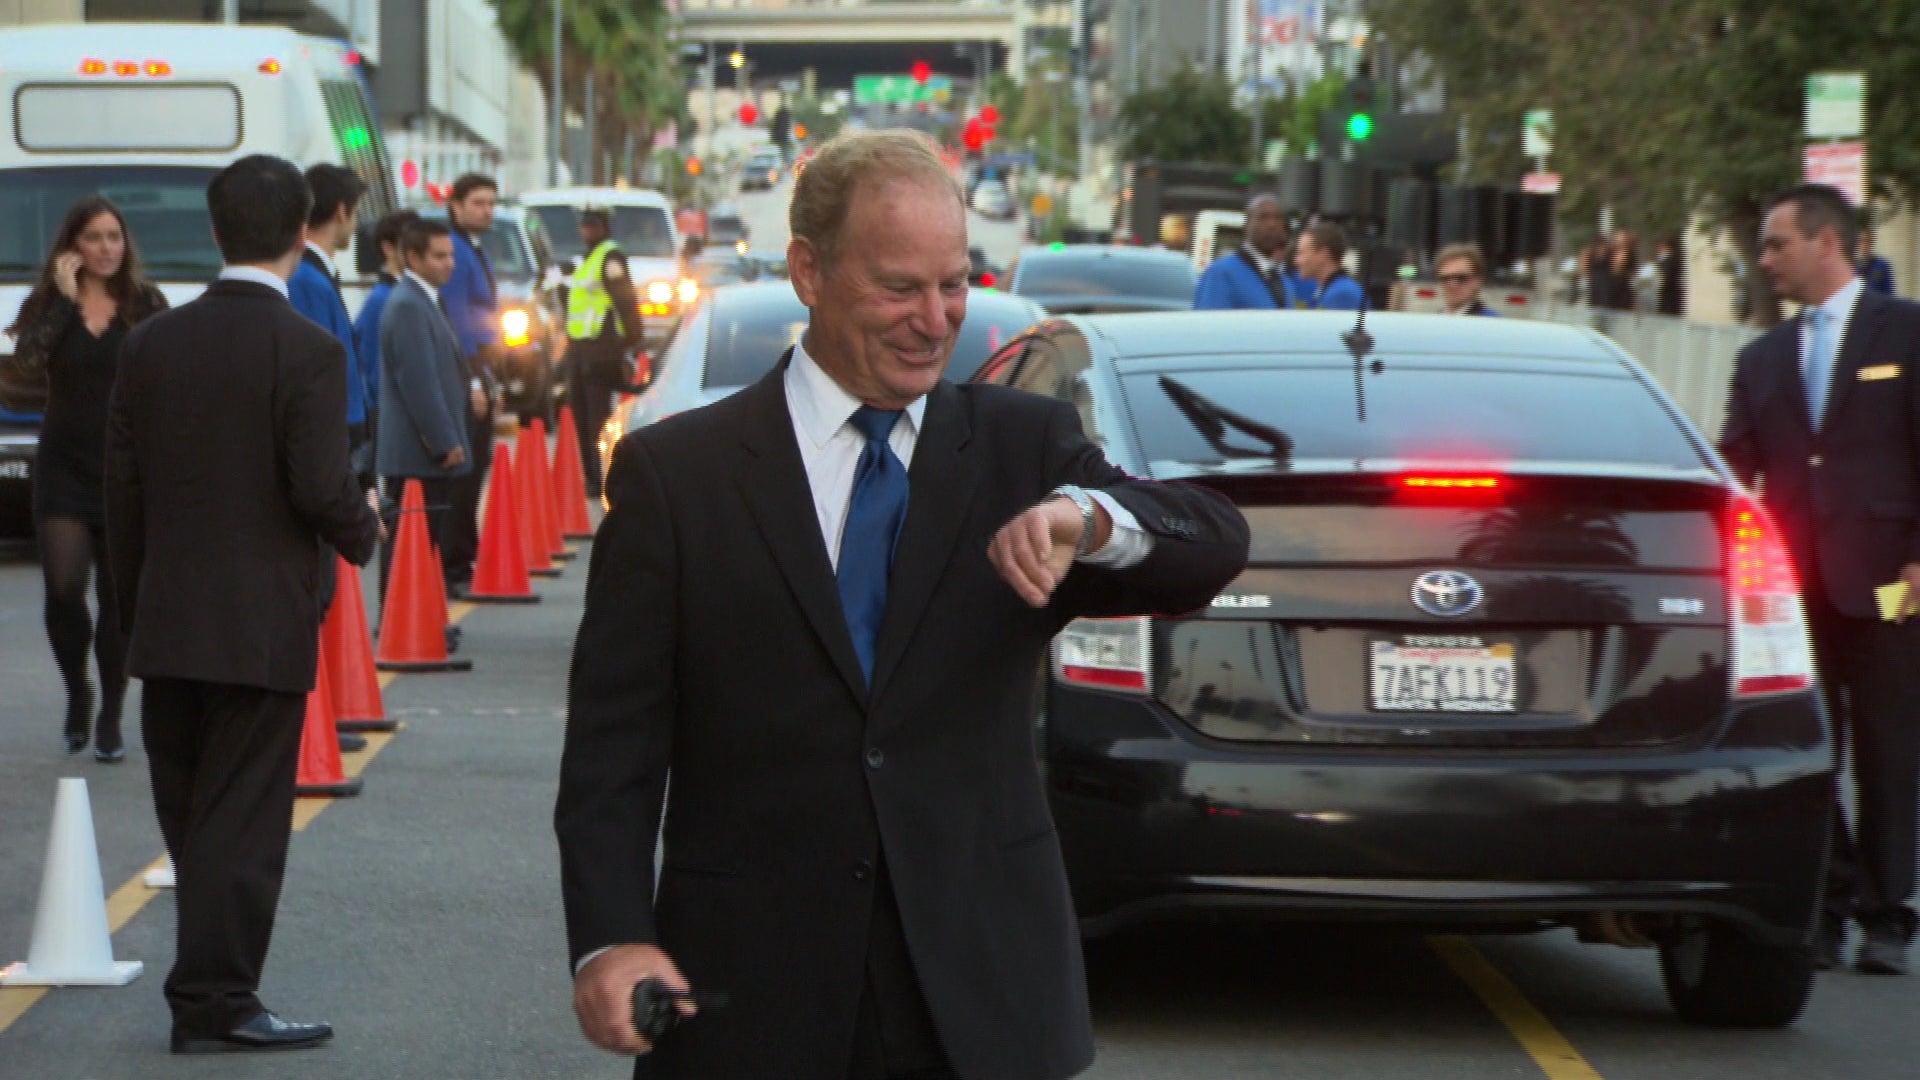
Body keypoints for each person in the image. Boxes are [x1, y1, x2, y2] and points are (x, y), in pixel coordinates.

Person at [557, 129, 1250, 1079]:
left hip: (979, 1001)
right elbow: (612, 753)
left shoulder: (1023, 448)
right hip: (747, 998)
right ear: (809, 270)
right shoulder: (678, 477)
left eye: (954, 286)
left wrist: (1088, 521)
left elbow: (1211, 540)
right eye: (899, 288)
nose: (936, 321)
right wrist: (609, 939)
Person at [103, 153, 381, 1052]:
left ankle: (206, 995)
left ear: (216, 232)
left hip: (168, 619)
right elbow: (317, 484)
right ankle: (218, 1003)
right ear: (303, 232)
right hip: (260, 624)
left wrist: (137, 605)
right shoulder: (308, 349)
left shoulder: (150, 344)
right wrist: (361, 526)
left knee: (191, 815)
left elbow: (124, 494)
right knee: (245, 824)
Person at [1719, 182, 1920, 978]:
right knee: (1807, 751)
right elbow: (1735, 469)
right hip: (1788, 592)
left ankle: (1887, 913)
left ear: (1827, 242)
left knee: (1890, 750)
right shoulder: (1761, 357)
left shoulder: (1906, 332)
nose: (1765, 260)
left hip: (1888, 584)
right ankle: (1829, 902)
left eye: (1777, 245)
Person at [3, 197, 166, 760]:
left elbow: (168, 378)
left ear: (126, 244)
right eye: (93, 238)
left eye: (114, 237)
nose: (105, 248)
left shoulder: (145, 304)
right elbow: (22, 369)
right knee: (63, 596)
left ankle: (113, 719)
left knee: (119, 602)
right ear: (72, 247)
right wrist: (64, 303)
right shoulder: (49, 304)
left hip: (125, 467)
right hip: (64, 466)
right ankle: (79, 696)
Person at [376, 218, 472, 595]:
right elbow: (419, 383)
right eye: (439, 256)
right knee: (410, 545)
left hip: (424, 454)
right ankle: (404, 629)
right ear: (413, 257)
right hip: (418, 455)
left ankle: (422, 625)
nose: (450, 263)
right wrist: (444, 441)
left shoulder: (424, 300)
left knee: (423, 545)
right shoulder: (408, 306)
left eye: (450, 255)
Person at [290, 163, 375, 488]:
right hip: (334, 442)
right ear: (342, 211)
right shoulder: (308, 280)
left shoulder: (311, 274)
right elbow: (318, 370)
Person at [440, 173, 503, 598]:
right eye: (478, 202)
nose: (487, 210)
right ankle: (454, 563)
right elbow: (460, 321)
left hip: (484, 366)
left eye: (491, 203)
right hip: (469, 368)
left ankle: (462, 555)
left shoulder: (474, 249)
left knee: (475, 468)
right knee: (463, 473)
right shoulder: (456, 253)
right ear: (456, 205)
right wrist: (476, 381)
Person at [564, 207, 643, 501]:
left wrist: (632, 341)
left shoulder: (610, 257)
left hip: (603, 349)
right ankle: (593, 480)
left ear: (605, 227)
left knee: (598, 420)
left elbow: (625, 300)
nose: (587, 230)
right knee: (582, 417)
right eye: (584, 225)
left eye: (593, 225)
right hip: (581, 349)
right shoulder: (586, 260)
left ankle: (605, 478)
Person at [351, 208, 420, 400]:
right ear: (388, 248)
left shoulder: (411, 294)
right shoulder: (382, 301)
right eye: (410, 245)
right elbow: (378, 378)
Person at [1192, 194, 1295, 310]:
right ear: (1247, 225)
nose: (1272, 225)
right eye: (1262, 217)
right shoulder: (1222, 273)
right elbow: (1207, 323)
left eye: (1278, 218)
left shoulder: (1283, 280)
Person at [1291, 221, 1365, 310]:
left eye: (1301, 253)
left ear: (1323, 254)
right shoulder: (1331, 290)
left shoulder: (1342, 294)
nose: (1296, 261)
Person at [1435, 242, 1499, 317]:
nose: (1452, 284)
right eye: (1445, 278)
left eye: (1461, 278)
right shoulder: (1435, 319)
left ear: (1478, 280)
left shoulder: (1490, 321)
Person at [1858, 225, 1896, 296]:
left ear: (1872, 242)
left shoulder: (1882, 265)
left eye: (1867, 241)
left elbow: (1890, 293)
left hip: (1878, 305)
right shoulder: (1851, 267)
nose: (1864, 245)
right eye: (1861, 241)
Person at [1655, 235, 1686, 317]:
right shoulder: (1675, 261)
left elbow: (1663, 282)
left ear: (1663, 246)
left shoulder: (1667, 263)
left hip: (1666, 301)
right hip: (1671, 301)